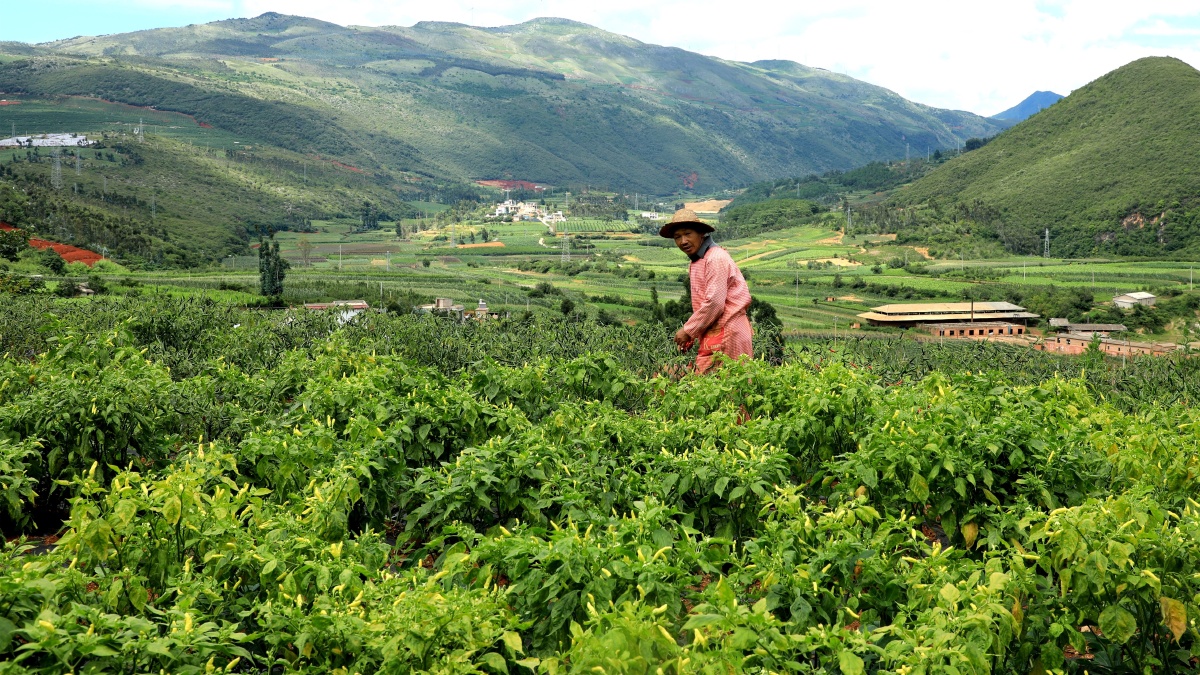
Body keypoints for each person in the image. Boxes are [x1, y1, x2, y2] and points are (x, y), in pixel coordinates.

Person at [660, 208, 753, 374]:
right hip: (717, 331)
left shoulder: (715, 258)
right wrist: (694, 333)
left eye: (688, 234)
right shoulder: (698, 260)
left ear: (701, 233)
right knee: (721, 387)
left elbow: (714, 303)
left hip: (727, 331)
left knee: (723, 387)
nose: (683, 241)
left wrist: (688, 330)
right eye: (677, 237)